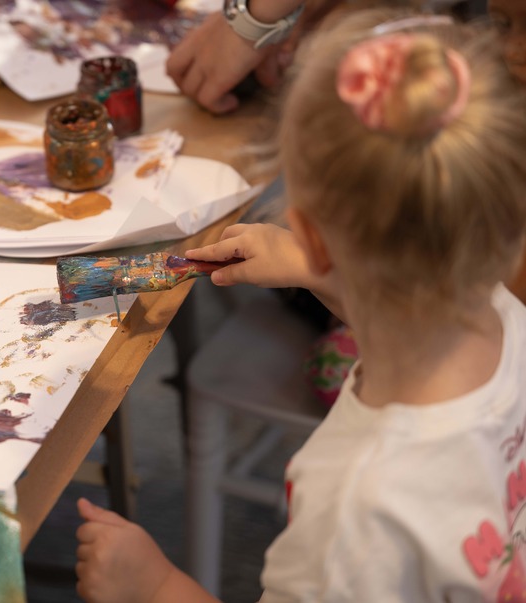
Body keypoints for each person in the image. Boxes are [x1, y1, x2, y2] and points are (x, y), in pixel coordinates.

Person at [76, 7, 526, 602]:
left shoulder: (357, 511)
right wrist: (317, 269)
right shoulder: (505, 316)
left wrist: (155, 587)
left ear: (309, 230)